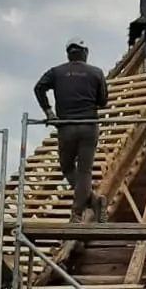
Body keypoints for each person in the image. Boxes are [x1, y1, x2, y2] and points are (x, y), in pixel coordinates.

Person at [34, 38, 109, 224]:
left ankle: (83, 209)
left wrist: (49, 112)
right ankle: (87, 205)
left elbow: (39, 88)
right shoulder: (96, 72)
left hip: (66, 126)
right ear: (85, 53)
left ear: (68, 54)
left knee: (67, 167)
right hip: (89, 126)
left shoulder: (56, 72)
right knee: (84, 171)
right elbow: (103, 101)